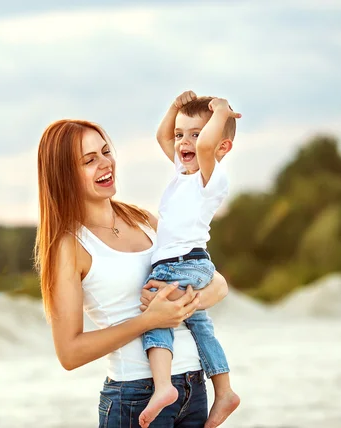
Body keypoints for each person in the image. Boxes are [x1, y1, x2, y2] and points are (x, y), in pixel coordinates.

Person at [34, 118, 230, 427]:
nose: (104, 163)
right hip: (135, 395)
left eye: (105, 151)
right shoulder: (69, 247)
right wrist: (149, 321)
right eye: (89, 160)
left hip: (193, 387)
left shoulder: (144, 220)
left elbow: (216, 282)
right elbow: (69, 353)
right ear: (65, 175)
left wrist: (181, 304)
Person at [138, 92, 241, 428]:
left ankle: (164, 386)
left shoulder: (209, 180)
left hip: (180, 264)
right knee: (200, 325)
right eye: (181, 134)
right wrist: (174, 109)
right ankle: (224, 390)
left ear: (220, 147)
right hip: (191, 264)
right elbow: (161, 136)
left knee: (156, 316)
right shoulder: (181, 173)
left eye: (195, 135)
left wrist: (222, 112)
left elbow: (205, 149)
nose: (183, 142)